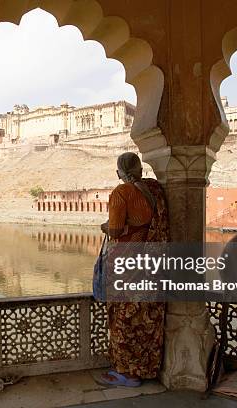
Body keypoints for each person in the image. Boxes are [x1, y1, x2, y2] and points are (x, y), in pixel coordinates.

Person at [98, 152, 169, 387]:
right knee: (146, 317)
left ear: (120, 172)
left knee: (124, 318)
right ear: (140, 169)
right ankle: (145, 369)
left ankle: (128, 374)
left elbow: (116, 230)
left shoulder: (121, 193)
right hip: (152, 265)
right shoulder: (156, 190)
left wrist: (105, 226)